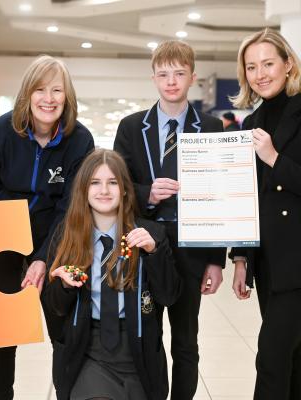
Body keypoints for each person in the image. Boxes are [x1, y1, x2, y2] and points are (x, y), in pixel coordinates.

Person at [0, 55, 94, 400]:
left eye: (57, 90)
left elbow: (71, 207)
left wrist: (44, 258)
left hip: (58, 243)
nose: (49, 98)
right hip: (4, 245)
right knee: (2, 334)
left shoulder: (79, 140)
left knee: (63, 332)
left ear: (67, 97)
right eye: (40, 89)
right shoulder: (2, 130)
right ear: (27, 94)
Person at [114, 40, 227, 400]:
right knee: (147, 338)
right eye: (163, 74)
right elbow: (117, 185)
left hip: (193, 248)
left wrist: (216, 260)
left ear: (192, 77)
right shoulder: (131, 127)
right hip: (145, 244)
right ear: (153, 78)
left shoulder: (211, 127)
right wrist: (147, 191)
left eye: (179, 73)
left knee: (185, 341)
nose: (171, 81)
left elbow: (220, 196)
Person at [41, 149, 181, 400]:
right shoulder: (66, 236)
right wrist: (63, 286)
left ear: (125, 189)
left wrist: (154, 253)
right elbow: (54, 308)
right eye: (95, 183)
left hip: (137, 351)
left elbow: (169, 296)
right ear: (83, 190)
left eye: (112, 183)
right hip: (87, 350)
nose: (104, 190)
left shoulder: (150, 234)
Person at [230, 28, 301, 400]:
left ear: (288, 64)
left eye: (269, 63)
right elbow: (247, 199)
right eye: (252, 66)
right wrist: (242, 257)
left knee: (272, 358)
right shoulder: (251, 121)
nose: (261, 73)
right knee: (291, 360)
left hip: (298, 259)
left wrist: (274, 158)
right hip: (270, 261)